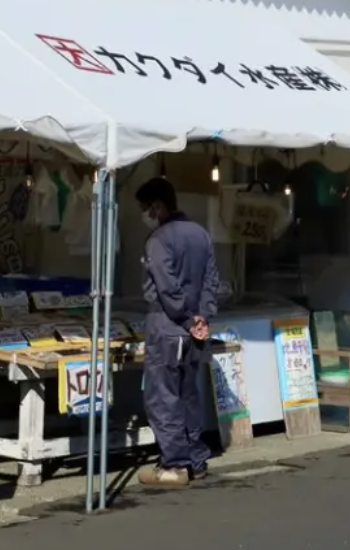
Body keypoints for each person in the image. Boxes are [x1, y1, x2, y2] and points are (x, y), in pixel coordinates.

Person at [136, 176, 223, 486]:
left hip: (168, 326)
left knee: (163, 397)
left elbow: (168, 288)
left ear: (157, 206)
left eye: (146, 208)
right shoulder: (201, 234)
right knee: (188, 395)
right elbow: (212, 281)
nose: (145, 215)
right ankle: (196, 459)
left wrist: (187, 319)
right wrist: (201, 318)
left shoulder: (159, 240)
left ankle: (174, 464)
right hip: (194, 330)